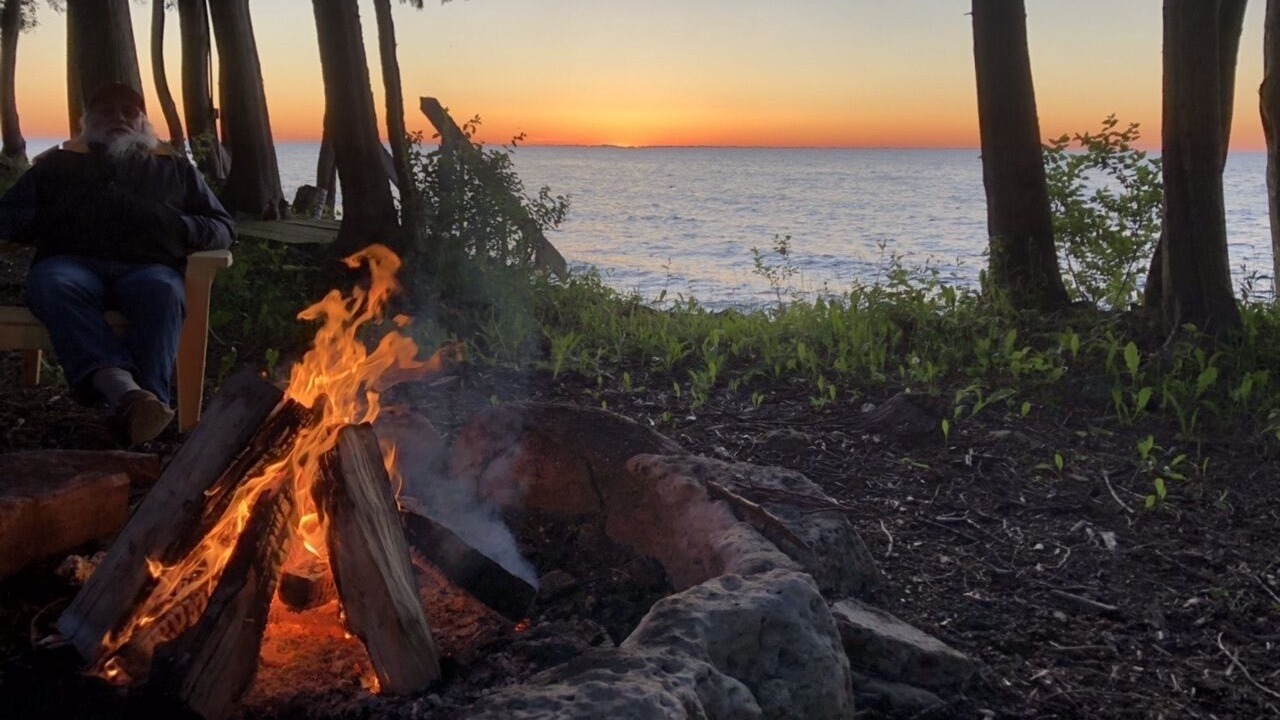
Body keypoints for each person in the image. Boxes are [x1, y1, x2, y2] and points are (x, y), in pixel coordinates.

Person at [0, 82, 235, 445]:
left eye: (129, 112)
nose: (119, 118)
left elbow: (222, 227)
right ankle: (131, 396)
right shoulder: (56, 166)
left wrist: (177, 226)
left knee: (162, 291)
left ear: (143, 121)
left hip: (147, 268)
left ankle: (132, 407)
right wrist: (55, 218)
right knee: (54, 284)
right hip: (72, 263)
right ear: (87, 120)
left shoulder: (173, 169)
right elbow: (7, 217)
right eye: (107, 111)